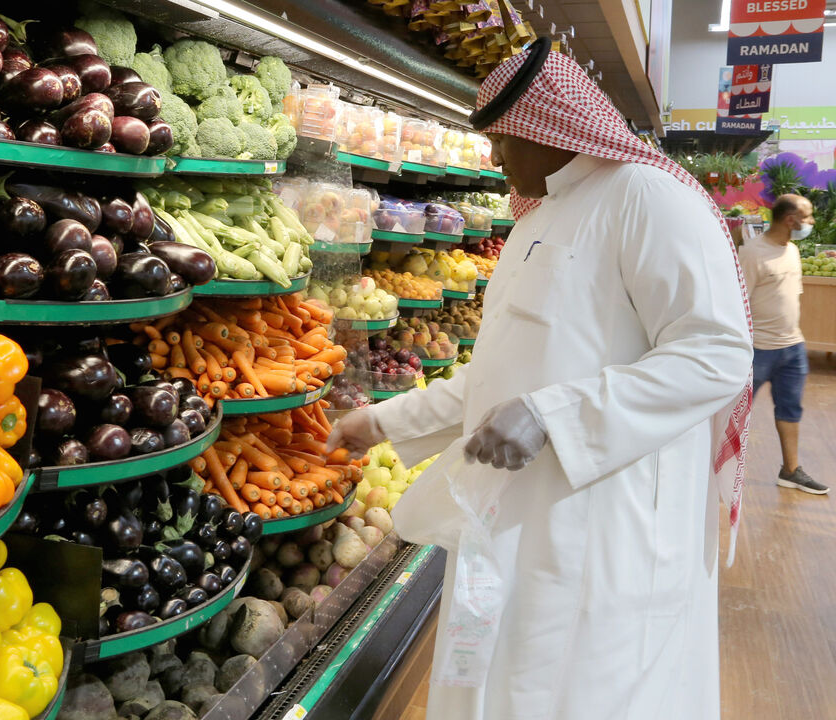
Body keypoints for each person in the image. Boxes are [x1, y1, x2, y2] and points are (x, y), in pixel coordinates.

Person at [326, 38, 754, 720]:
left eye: (501, 140)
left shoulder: (646, 197)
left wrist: (555, 415)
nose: (494, 158)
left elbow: (716, 355)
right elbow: (504, 370)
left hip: (605, 530)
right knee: (506, 689)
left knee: (586, 695)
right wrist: (383, 422)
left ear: (546, 127)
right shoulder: (541, 217)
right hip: (513, 522)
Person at [739, 194, 826, 494]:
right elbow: (739, 304)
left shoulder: (792, 250)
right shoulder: (752, 253)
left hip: (792, 348)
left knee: (790, 410)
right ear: (791, 219)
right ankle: (716, 473)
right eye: (809, 216)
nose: (811, 222)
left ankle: (790, 471)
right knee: (735, 412)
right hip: (757, 351)